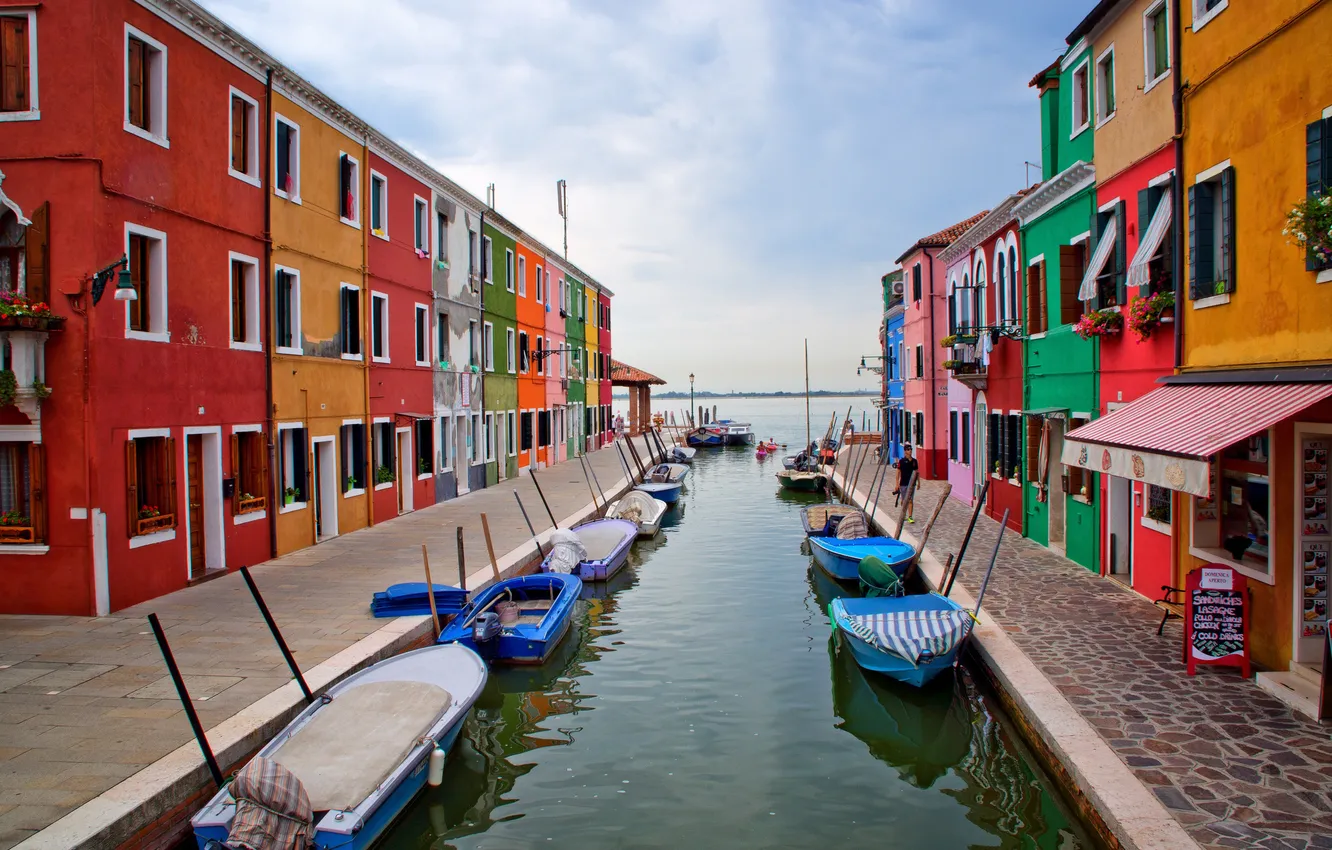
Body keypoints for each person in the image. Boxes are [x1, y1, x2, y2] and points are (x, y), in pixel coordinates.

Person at [893, 444, 918, 523]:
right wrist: (897, 484)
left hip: (912, 484)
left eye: (910, 449)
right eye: (908, 449)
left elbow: (916, 472)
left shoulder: (914, 461)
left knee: (910, 500)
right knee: (904, 500)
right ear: (905, 451)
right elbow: (898, 473)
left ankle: (910, 516)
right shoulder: (901, 461)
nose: (910, 451)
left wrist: (918, 482)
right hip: (903, 483)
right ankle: (903, 514)